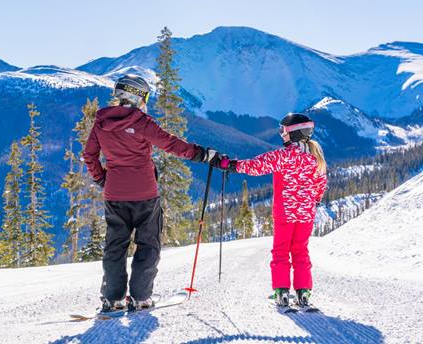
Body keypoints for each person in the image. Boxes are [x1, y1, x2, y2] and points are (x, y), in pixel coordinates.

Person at [83, 74, 220, 312]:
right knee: (148, 245)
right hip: (145, 194)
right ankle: (141, 297)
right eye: (145, 96)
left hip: (114, 195)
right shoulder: (142, 122)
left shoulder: (101, 123)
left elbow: (89, 155)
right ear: (137, 96)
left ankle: (112, 298)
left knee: (115, 247)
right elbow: (172, 144)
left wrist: (102, 178)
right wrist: (202, 154)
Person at [214, 113, 327, 307]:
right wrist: (313, 201)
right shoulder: (315, 158)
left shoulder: (283, 156)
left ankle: (282, 291)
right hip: (306, 214)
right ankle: (303, 293)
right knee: (300, 251)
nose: (281, 134)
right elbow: (320, 185)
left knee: (281, 251)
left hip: (285, 213)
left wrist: (230, 165)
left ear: (294, 133)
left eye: (283, 130)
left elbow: (255, 166)